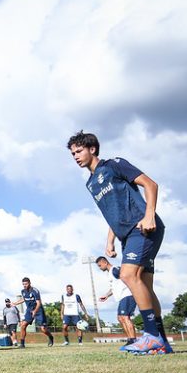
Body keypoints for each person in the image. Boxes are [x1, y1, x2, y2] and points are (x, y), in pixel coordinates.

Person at [68, 131, 171, 354]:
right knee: (145, 286)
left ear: (92, 149)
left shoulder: (114, 165)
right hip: (127, 236)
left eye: (79, 151)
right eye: (72, 153)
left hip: (143, 228)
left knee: (127, 275)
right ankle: (162, 342)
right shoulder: (91, 184)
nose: (75, 156)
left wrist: (149, 214)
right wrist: (110, 242)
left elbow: (150, 184)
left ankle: (152, 336)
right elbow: (112, 214)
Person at [96, 256, 137, 348]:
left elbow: (128, 277)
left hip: (127, 295)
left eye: (100, 265)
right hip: (122, 298)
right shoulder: (110, 273)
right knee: (120, 318)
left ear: (105, 262)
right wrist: (106, 295)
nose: (99, 268)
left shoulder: (115, 270)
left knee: (125, 317)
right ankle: (130, 340)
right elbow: (114, 287)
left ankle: (134, 340)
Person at [12, 277, 54, 348]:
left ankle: (50, 337)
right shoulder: (23, 291)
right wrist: (15, 303)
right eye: (23, 284)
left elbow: (39, 303)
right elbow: (24, 299)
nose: (25, 285)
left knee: (43, 329)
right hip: (29, 310)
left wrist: (35, 311)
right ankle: (22, 344)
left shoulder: (35, 291)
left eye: (26, 284)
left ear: (29, 283)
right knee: (23, 325)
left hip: (38, 310)